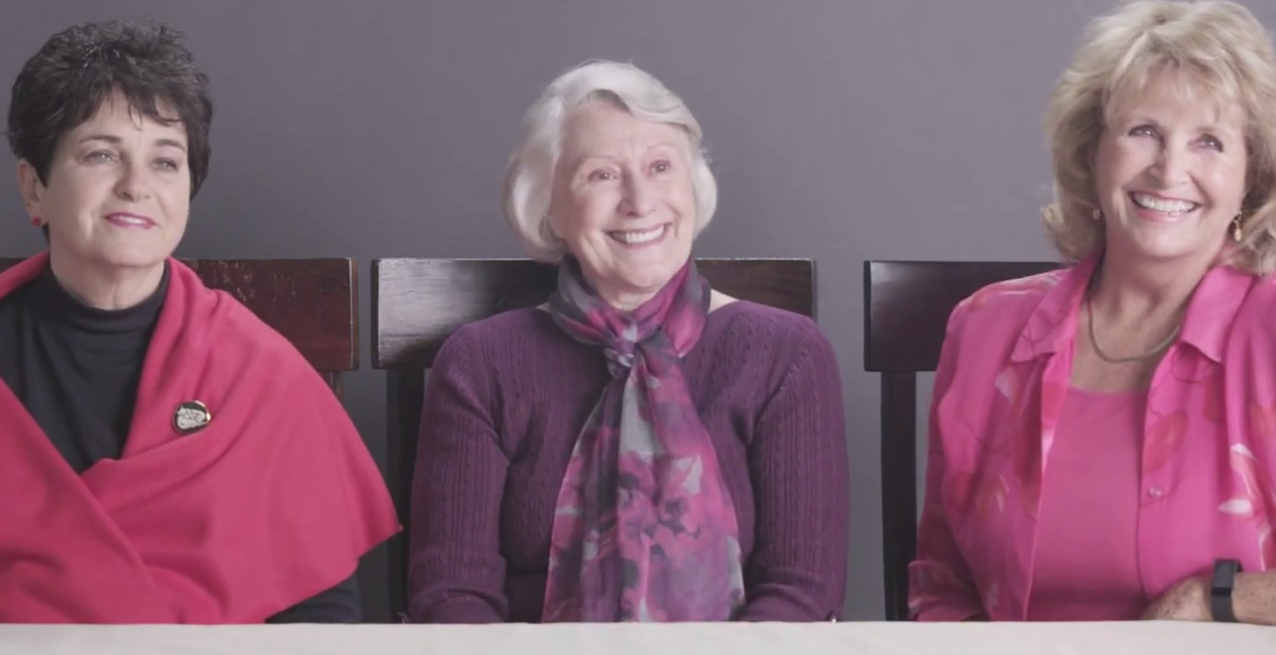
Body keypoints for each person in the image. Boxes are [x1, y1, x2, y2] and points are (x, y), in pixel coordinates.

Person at [406, 60, 849, 623]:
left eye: (661, 167)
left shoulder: (787, 356)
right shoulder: (481, 363)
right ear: (548, 207)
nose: (640, 201)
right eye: (602, 175)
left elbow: (800, 593)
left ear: (693, 187)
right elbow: (452, 597)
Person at [0, 21, 399, 623]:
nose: (136, 187)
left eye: (165, 161)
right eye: (102, 154)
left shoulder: (262, 373)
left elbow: (320, 612)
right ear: (35, 188)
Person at [910, 0, 1276, 624]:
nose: (1170, 169)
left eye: (1209, 142)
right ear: (1091, 152)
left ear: (1252, 177)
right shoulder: (984, 326)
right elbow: (943, 587)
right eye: (1144, 132)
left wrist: (1212, 599)